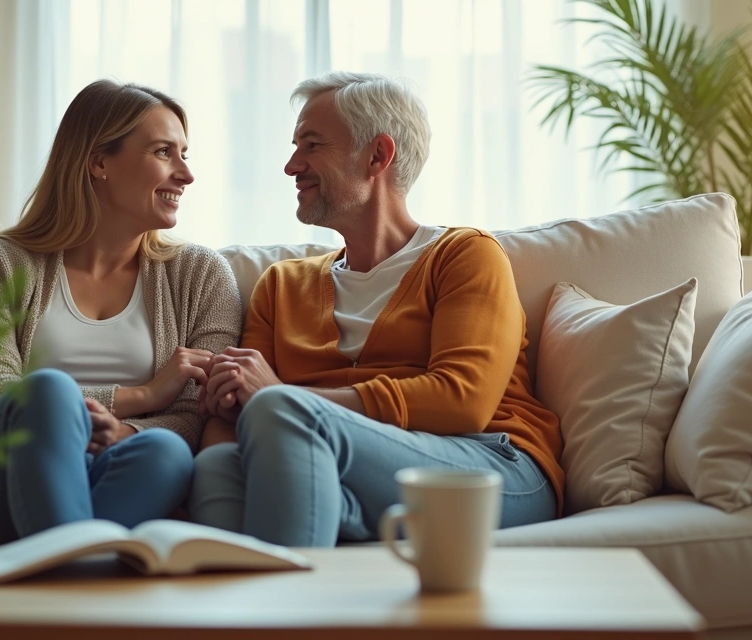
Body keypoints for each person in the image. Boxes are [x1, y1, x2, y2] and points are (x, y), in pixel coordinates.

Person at [189, 72, 563, 547]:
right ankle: (225, 615)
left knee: (281, 410)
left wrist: (288, 398)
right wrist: (239, 417)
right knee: (220, 462)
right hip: (340, 464)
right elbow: (235, 411)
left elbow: (462, 401)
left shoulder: (465, 255)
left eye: (311, 145)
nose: (290, 165)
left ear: (377, 156)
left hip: (489, 467)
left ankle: (281, 617)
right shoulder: (282, 286)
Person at [0, 80, 242, 544]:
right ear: (99, 162)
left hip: (107, 470)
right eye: (164, 152)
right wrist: (141, 395)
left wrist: (121, 430)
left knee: (165, 451)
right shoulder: (0, 261)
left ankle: (64, 560)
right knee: (47, 393)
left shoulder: (202, 276)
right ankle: (75, 566)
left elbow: (194, 417)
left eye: (185, 153)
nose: (186, 174)